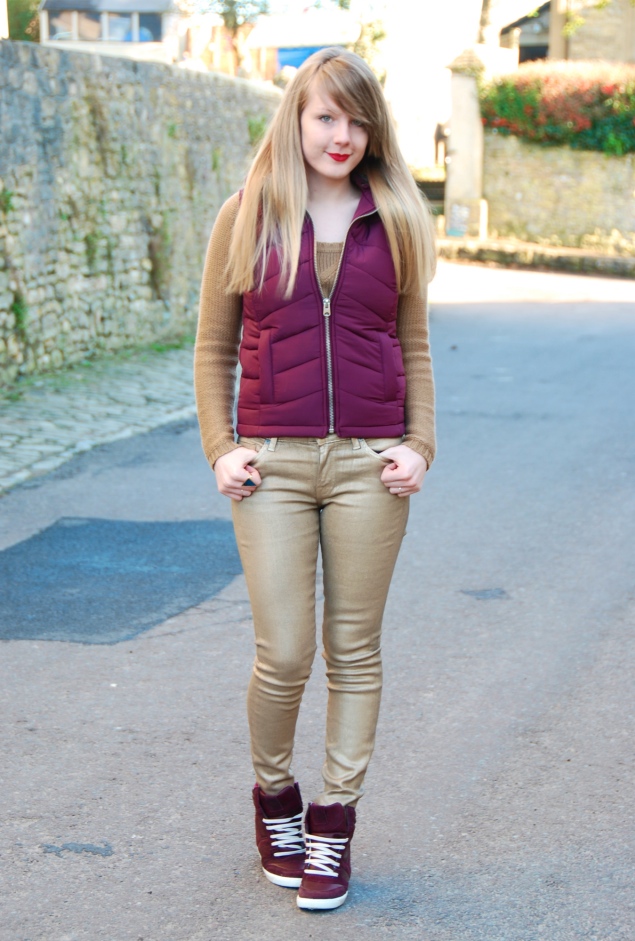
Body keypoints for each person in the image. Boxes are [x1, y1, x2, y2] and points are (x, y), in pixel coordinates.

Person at [194, 46, 436, 911]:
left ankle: (333, 822)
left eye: (357, 118)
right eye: (326, 116)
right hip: (274, 462)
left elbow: (413, 345)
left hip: (371, 461)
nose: (342, 134)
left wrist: (419, 444)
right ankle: (275, 798)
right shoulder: (246, 214)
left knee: (354, 651)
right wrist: (221, 445)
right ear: (297, 117)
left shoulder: (399, 216)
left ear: (375, 129)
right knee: (285, 650)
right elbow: (214, 346)